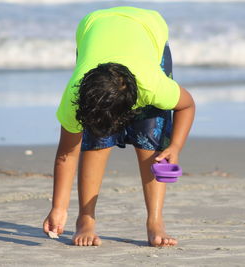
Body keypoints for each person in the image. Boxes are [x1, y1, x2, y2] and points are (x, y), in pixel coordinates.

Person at [43, 6, 195, 247]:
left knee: (151, 135)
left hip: (148, 26)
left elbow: (187, 106)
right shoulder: (76, 96)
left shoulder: (153, 86)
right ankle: (85, 219)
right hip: (94, 25)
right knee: (96, 138)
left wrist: (175, 146)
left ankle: (155, 221)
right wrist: (58, 208)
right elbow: (66, 154)